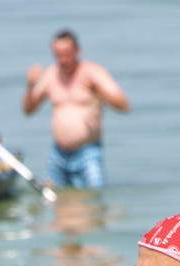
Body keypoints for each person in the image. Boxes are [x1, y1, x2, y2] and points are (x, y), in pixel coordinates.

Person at [22, 30, 129, 188]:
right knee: (54, 197)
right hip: (58, 154)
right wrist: (30, 86)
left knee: (94, 195)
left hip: (88, 152)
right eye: (58, 55)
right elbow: (28, 110)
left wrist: (100, 93)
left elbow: (124, 105)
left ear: (77, 51)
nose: (63, 60)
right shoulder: (51, 74)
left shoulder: (92, 73)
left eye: (67, 54)